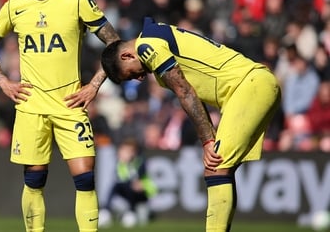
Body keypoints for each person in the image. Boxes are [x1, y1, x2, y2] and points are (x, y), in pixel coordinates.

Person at [0, 0, 120, 232]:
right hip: (31, 107)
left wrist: (93, 86)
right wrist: (3, 82)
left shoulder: (76, 0)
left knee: (84, 178)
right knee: (34, 180)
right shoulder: (15, 5)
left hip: (71, 104)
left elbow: (115, 44)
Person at [100, 17, 281, 232]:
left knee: (216, 168)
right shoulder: (152, 40)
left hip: (249, 86)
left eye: (130, 74)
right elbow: (192, 93)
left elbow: (185, 92)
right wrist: (210, 136)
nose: (138, 79)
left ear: (127, 55)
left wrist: (207, 141)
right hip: (249, 87)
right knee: (223, 171)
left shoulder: (148, 47)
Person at [102, 138, 157, 227]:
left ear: (133, 153)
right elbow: (121, 179)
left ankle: (131, 212)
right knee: (115, 186)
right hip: (128, 191)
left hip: (143, 193)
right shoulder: (120, 164)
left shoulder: (140, 162)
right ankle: (106, 211)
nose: (123, 153)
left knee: (132, 185)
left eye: (127, 151)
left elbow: (138, 179)